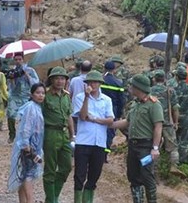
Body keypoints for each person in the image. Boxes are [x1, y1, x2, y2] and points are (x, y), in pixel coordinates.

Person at [110, 74, 163, 203]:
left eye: (132, 86)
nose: (130, 88)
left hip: (146, 147)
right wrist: (108, 125)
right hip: (133, 146)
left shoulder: (154, 105)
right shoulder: (135, 104)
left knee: (147, 177)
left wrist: (155, 148)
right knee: (133, 177)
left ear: (138, 88)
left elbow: (158, 127)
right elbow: (127, 122)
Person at [71, 70, 114, 203]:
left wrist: (95, 119)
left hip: (99, 142)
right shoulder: (79, 97)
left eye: (95, 82)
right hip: (83, 141)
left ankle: (87, 200)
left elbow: (110, 120)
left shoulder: (106, 100)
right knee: (79, 175)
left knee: (94, 175)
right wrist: (86, 97)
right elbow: (83, 116)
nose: (93, 84)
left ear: (100, 83)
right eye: (90, 82)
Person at [8, 83, 46, 203]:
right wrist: (26, 146)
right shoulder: (30, 108)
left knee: (24, 176)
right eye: (38, 93)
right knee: (28, 177)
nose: (40, 95)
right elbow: (26, 128)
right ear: (32, 94)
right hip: (28, 148)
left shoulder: (36, 107)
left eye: (43, 93)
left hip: (32, 147)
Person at [42, 66, 74, 203]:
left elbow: (69, 116)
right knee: (50, 168)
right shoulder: (45, 96)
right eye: (57, 78)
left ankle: (54, 195)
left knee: (66, 166)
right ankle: (51, 199)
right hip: (50, 133)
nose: (60, 81)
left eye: (62, 78)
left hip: (64, 134)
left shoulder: (66, 96)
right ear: (52, 80)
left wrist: (72, 134)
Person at [150, 69, 181, 174]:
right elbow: (175, 108)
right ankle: (173, 166)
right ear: (164, 79)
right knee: (173, 147)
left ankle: (154, 170)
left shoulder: (150, 91)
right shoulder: (170, 91)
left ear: (154, 79)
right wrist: (176, 122)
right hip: (167, 123)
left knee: (154, 147)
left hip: (153, 124)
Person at [7, 52, 40, 143]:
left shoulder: (30, 70)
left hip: (26, 97)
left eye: (20, 59)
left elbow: (36, 83)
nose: (18, 61)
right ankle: (12, 134)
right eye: (16, 60)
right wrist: (12, 79)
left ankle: (24, 135)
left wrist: (27, 75)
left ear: (23, 60)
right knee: (10, 115)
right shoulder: (13, 71)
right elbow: (11, 87)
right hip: (14, 96)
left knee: (26, 117)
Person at [101, 60, 125, 154]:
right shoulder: (118, 83)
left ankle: (99, 151)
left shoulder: (100, 81)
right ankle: (105, 153)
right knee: (110, 131)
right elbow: (121, 100)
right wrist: (119, 114)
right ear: (114, 69)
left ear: (104, 68)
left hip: (101, 107)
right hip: (113, 109)